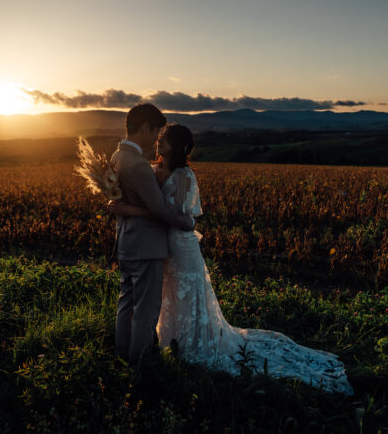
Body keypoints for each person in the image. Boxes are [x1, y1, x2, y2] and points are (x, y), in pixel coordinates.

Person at [109, 124, 353, 394]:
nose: (158, 143)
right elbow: (153, 205)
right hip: (161, 245)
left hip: (181, 245)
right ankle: (172, 342)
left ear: (178, 146)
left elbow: (171, 215)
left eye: (164, 140)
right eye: (159, 138)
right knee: (169, 297)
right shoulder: (154, 172)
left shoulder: (183, 175)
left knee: (189, 296)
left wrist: (132, 210)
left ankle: (192, 345)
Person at [111, 104, 196, 365]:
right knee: (146, 310)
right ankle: (140, 362)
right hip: (145, 246)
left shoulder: (117, 156)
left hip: (126, 241)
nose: (156, 138)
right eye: (156, 131)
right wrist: (186, 221)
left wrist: (127, 210)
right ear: (145, 127)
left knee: (126, 303)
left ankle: (122, 354)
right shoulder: (137, 164)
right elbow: (158, 208)